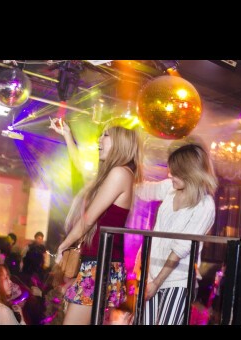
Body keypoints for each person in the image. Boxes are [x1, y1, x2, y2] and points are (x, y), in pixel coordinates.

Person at [50, 117, 143, 325]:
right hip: (97, 262)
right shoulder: (116, 173)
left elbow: (89, 218)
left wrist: (64, 245)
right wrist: (67, 136)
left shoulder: (120, 173)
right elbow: (81, 170)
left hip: (100, 264)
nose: (99, 140)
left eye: (105, 135)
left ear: (121, 142)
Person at [134, 143, 218, 325]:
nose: (169, 175)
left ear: (190, 173)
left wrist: (157, 283)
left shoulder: (205, 205)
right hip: (151, 273)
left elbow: (180, 249)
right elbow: (142, 190)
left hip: (178, 281)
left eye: (175, 172)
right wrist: (127, 168)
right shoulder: (170, 188)